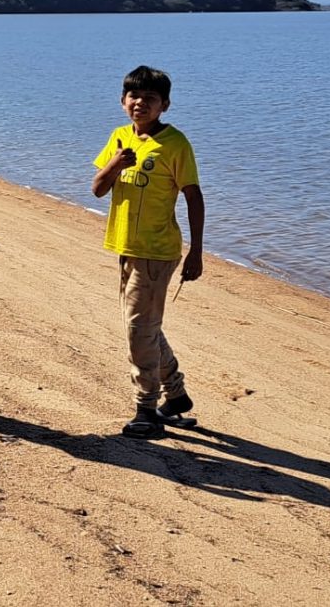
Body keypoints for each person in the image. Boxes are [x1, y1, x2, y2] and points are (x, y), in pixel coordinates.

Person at [92, 65, 205, 439]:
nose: (140, 103)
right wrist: (115, 162)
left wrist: (196, 251)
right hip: (125, 246)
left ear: (165, 105)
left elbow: (193, 196)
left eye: (150, 99)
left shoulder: (175, 144)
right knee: (143, 326)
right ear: (123, 101)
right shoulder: (120, 137)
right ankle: (176, 396)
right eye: (134, 97)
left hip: (158, 250)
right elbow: (97, 189)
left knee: (138, 329)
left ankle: (147, 409)